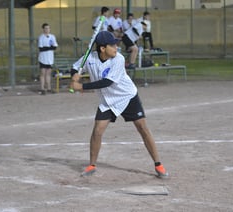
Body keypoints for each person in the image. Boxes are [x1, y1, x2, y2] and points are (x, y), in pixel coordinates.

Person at [70, 31, 168, 178]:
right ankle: (91, 165)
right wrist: (74, 75)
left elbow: (107, 82)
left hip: (127, 96)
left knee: (142, 127)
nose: (116, 47)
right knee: (97, 130)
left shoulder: (118, 59)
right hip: (108, 101)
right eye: (113, 45)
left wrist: (81, 87)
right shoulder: (89, 58)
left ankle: (158, 164)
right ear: (103, 48)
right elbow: (75, 66)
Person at [38, 23, 58, 95]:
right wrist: (49, 47)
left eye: (48, 28)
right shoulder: (41, 37)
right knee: (43, 73)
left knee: (48, 73)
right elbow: (41, 48)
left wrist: (47, 47)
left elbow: (55, 46)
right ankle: (42, 88)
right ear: (43, 29)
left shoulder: (52, 36)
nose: (47, 30)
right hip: (43, 58)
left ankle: (49, 87)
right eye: (46, 28)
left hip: (50, 58)